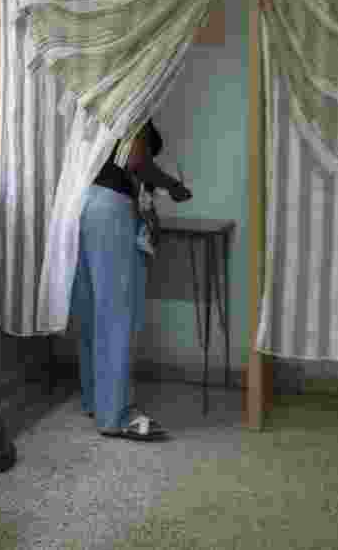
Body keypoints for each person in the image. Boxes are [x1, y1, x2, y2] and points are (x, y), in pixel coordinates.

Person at [71, 118, 192, 441]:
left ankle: (96, 400)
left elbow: (124, 165)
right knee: (117, 314)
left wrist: (147, 210)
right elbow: (136, 162)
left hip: (87, 202)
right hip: (111, 209)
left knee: (93, 309)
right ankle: (116, 416)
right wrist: (173, 186)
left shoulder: (108, 99)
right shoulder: (135, 102)